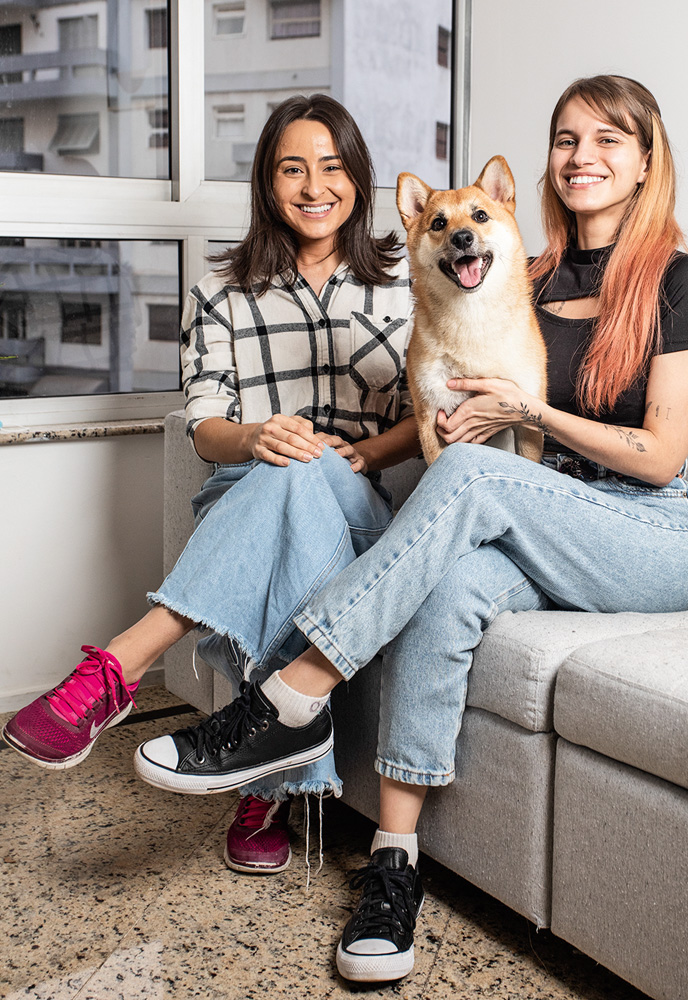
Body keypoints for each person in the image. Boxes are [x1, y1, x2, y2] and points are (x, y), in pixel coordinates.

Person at [131, 74, 688, 982]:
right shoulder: (509, 273)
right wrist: (416, 433)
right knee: (439, 586)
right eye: (567, 140)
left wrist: (526, 411)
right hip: (534, 511)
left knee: (475, 478)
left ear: (648, 162)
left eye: (609, 141)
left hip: (650, 527)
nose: (583, 158)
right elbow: (448, 391)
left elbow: (655, 452)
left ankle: (287, 696)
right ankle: (394, 865)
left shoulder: (680, 282)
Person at [3, 94, 419, 876]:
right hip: (250, 496)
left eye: (331, 166)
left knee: (309, 471)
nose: (313, 185)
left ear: (358, 178)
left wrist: (357, 458)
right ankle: (273, 781)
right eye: (291, 168)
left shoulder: (404, 285)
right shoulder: (221, 293)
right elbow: (203, 426)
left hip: (361, 510)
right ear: (266, 183)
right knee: (286, 475)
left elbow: (425, 418)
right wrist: (259, 436)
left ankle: (119, 666)